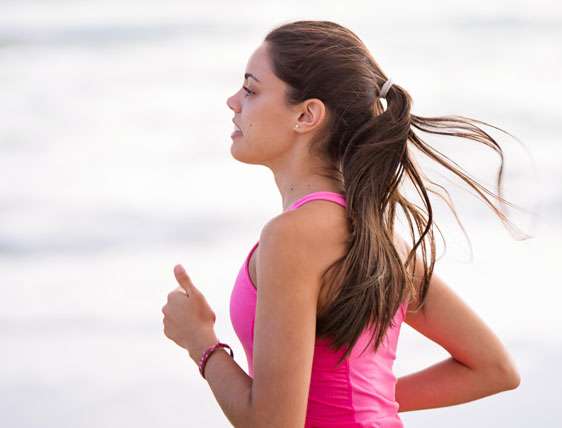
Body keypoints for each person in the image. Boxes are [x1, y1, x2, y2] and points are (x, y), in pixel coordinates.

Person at [162, 19, 527, 427]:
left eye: (250, 89)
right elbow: (493, 368)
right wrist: (366, 405)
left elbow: (273, 424)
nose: (233, 101)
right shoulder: (374, 235)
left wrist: (201, 343)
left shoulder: (291, 238)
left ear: (306, 115)